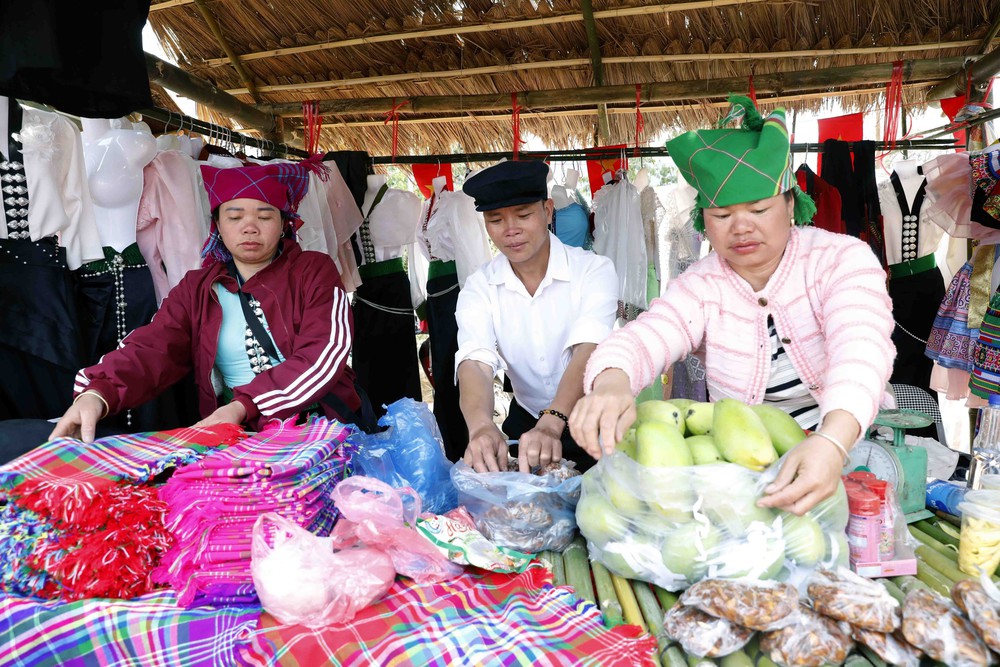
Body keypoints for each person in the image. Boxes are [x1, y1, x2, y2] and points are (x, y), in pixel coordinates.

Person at [569, 97, 896, 515]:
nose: (741, 227)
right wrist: (612, 381)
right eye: (722, 215)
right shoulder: (702, 285)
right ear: (703, 219)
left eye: (759, 209)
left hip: (849, 445)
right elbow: (647, 336)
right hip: (743, 468)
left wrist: (831, 442)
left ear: (791, 205)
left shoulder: (841, 259)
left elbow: (861, 348)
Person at [48, 158, 369, 444]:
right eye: (234, 215)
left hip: (322, 429)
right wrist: (98, 392)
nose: (249, 227)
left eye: (264, 215)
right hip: (239, 438)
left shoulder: (312, 270)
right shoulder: (198, 287)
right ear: (217, 224)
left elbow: (324, 353)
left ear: (285, 222)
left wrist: (244, 406)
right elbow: (154, 346)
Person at [456, 160, 618, 473]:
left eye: (524, 215)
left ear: (547, 211)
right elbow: (475, 360)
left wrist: (554, 419)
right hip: (527, 424)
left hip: (596, 422)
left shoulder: (593, 271)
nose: (510, 230)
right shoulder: (480, 285)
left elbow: (589, 348)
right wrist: (480, 427)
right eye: (495, 220)